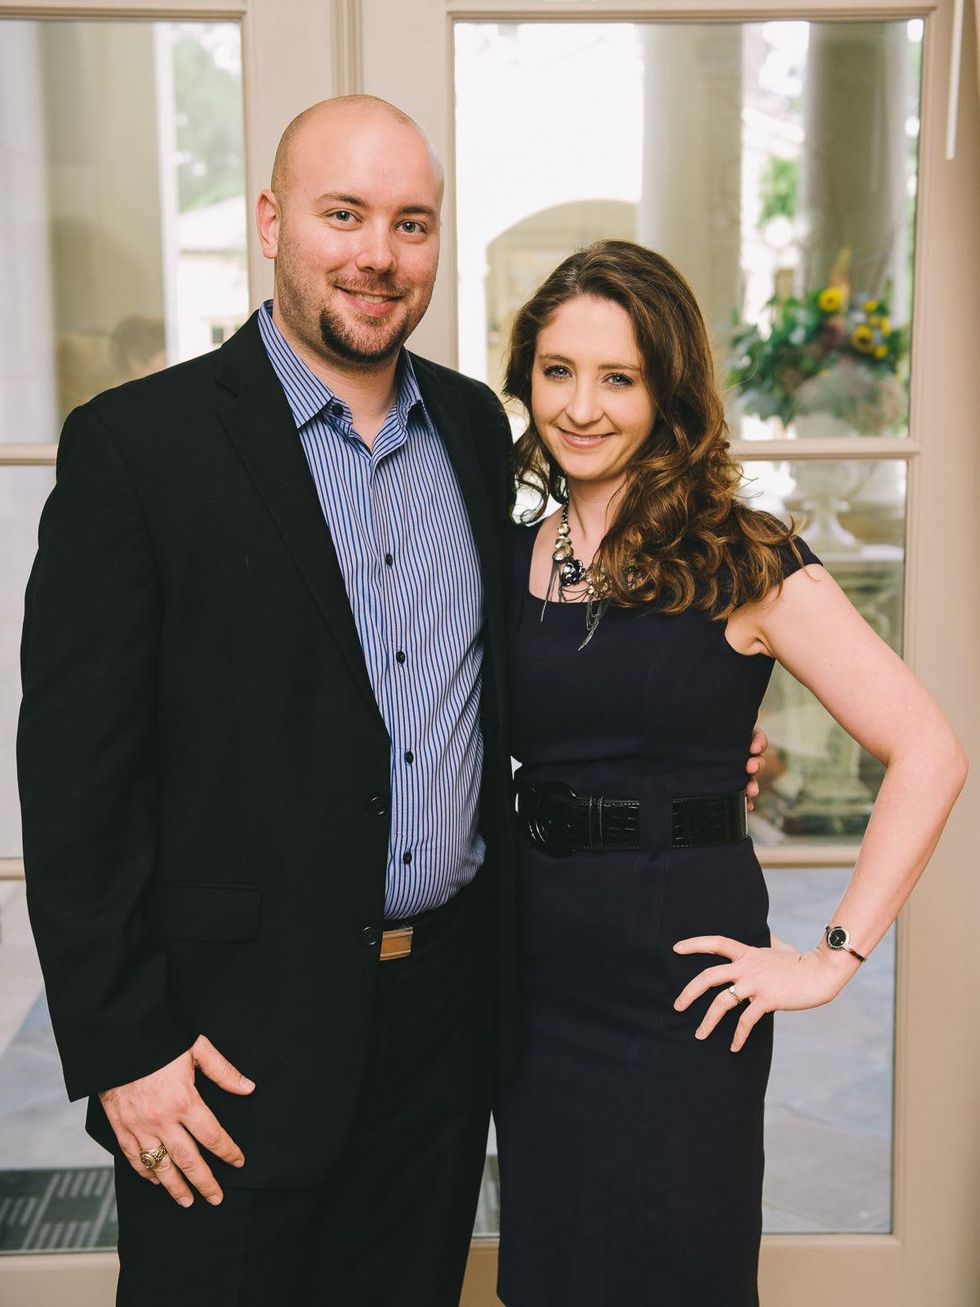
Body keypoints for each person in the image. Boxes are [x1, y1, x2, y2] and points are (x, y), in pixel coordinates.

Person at [18, 100, 766, 1304]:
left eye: (410, 223)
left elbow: (527, 664)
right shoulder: (136, 448)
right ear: (271, 223)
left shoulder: (476, 429)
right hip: (222, 1047)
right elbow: (72, 786)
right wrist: (124, 1048)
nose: (378, 253)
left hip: (446, 1022)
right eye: (343, 214)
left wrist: (682, 749)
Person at [492, 240, 967, 1306]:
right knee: (549, 1273)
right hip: (532, 970)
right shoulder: (509, 546)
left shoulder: (743, 557)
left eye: (617, 376)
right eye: (557, 369)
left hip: (680, 980)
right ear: (525, 374)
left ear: (667, 389)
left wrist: (828, 956)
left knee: (675, 1267)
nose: (579, 405)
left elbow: (928, 751)